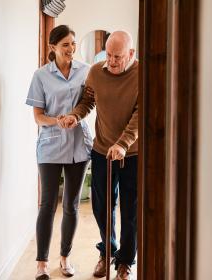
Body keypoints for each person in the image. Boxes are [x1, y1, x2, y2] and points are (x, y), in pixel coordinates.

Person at [59, 31, 138, 280]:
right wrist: (75, 115)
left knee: (130, 209)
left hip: (132, 153)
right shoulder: (96, 72)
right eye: (109, 55)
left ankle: (125, 262)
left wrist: (123, 144)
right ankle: (108, 251)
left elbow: (141, 115)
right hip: (102, 150)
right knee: (101, 207)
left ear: (131, 54)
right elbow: (87, 101)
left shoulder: (143, 74)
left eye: (118, 57)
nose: (112, 61)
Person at [26, 25, 92, 280]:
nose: (71, 49)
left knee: (72, 206)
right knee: (47, 205)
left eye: (73, 43)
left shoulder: (85, 71)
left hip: (78, 145)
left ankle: (64, 259)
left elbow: (90, 102)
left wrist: (74, 118)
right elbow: (38, 117)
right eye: (65, 44)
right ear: (52, 47)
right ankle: (42, 263)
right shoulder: (40, 76)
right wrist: (58, 121)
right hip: (50, 146)